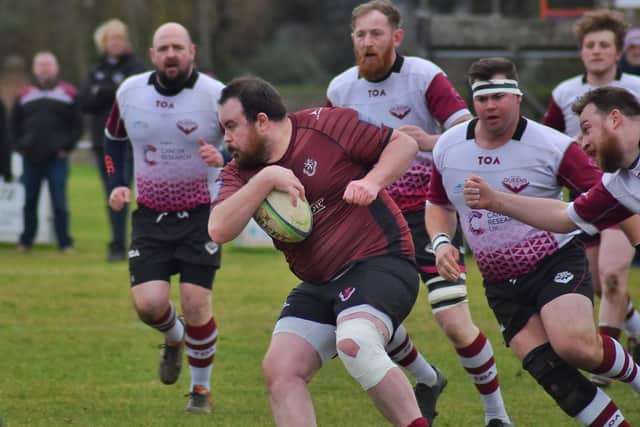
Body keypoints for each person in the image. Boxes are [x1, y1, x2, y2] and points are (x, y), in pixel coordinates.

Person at [325, 2, 513, 425]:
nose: (368, 42)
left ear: (396, 37)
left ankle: (496, 414)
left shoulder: (424, 77)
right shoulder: (340, 89)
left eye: (376, 34)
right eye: (361, 35)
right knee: (368, 318)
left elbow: (470, 131)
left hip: (430, 214)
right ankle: (427, 378)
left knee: (454, 324)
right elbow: (329, 147)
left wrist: (428, 141)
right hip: (372, 222)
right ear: (352, 38)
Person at [428, 57, 640, 427]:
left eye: (498, 96)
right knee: (551, 373)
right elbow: (438, 204)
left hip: (553, 263)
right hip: (500, 283)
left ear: (518, 97)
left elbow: (605, 202)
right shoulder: (448, 147)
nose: (490, 105)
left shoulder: (554, 146)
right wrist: (445, 239)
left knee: (574, 346)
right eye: (481, 98)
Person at [210, 76, 428, 427]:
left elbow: (402, 144)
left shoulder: (328, 124)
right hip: (320, 282)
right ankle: (425, 376)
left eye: (232, 126)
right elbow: (218, 228)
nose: (227, 138)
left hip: (380, 259)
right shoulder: (239, 173)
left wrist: (371, 182)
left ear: (262, 121)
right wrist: (267, 179)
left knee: (355, 342)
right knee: (280, 370)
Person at [104, 22, 224, 413]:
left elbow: (245, 142)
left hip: (202, 215)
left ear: (192, 52)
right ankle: (174, 338)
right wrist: (117, 182)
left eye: (178, 47)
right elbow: (113, 140)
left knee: (195, 301)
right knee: (149, 305)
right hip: (151, 216)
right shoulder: (129, 92)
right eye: (163, 48)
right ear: (153, 55)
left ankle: (200, 392)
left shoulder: (216, 95)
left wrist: (225, 157)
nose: (171, 54)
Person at [542, 10, 640, 379]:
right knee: (600, 284)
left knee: (613, 276)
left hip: (623, 198)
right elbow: (545, 142)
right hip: (587, 199)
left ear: (618, 53)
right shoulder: (565, 93)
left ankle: (605, 369)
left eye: (604, 45)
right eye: (590, 45)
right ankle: (634, 332)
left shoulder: (635, 89)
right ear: (581, 52)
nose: (596, 51)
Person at [78, 18, 146, 262]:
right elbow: (84, 101)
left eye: (120, 38)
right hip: (103, 142)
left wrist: (103, 92)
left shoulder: (136, 67)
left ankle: (137, 242)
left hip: (131, 142)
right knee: (113, 192)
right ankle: (117, 243)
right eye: (111, 39)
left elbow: (136, 97)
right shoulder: (95, 70)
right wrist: (111, 91)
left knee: (134, 192)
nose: (116, 43)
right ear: (103, 43)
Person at [11, 51, 82, 252]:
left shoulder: (68, 93)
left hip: (57, 158)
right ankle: (26, 240)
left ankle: (65, 242)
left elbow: (77, 126)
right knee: (29, 201)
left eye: (48, 64)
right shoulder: (24, 94)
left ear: (56, 67)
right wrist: (21, 146)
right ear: (34, 69)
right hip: (31, 158)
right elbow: (13, 125)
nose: (44, 68)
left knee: (60, 202)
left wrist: (66, 147)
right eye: (41, 65)